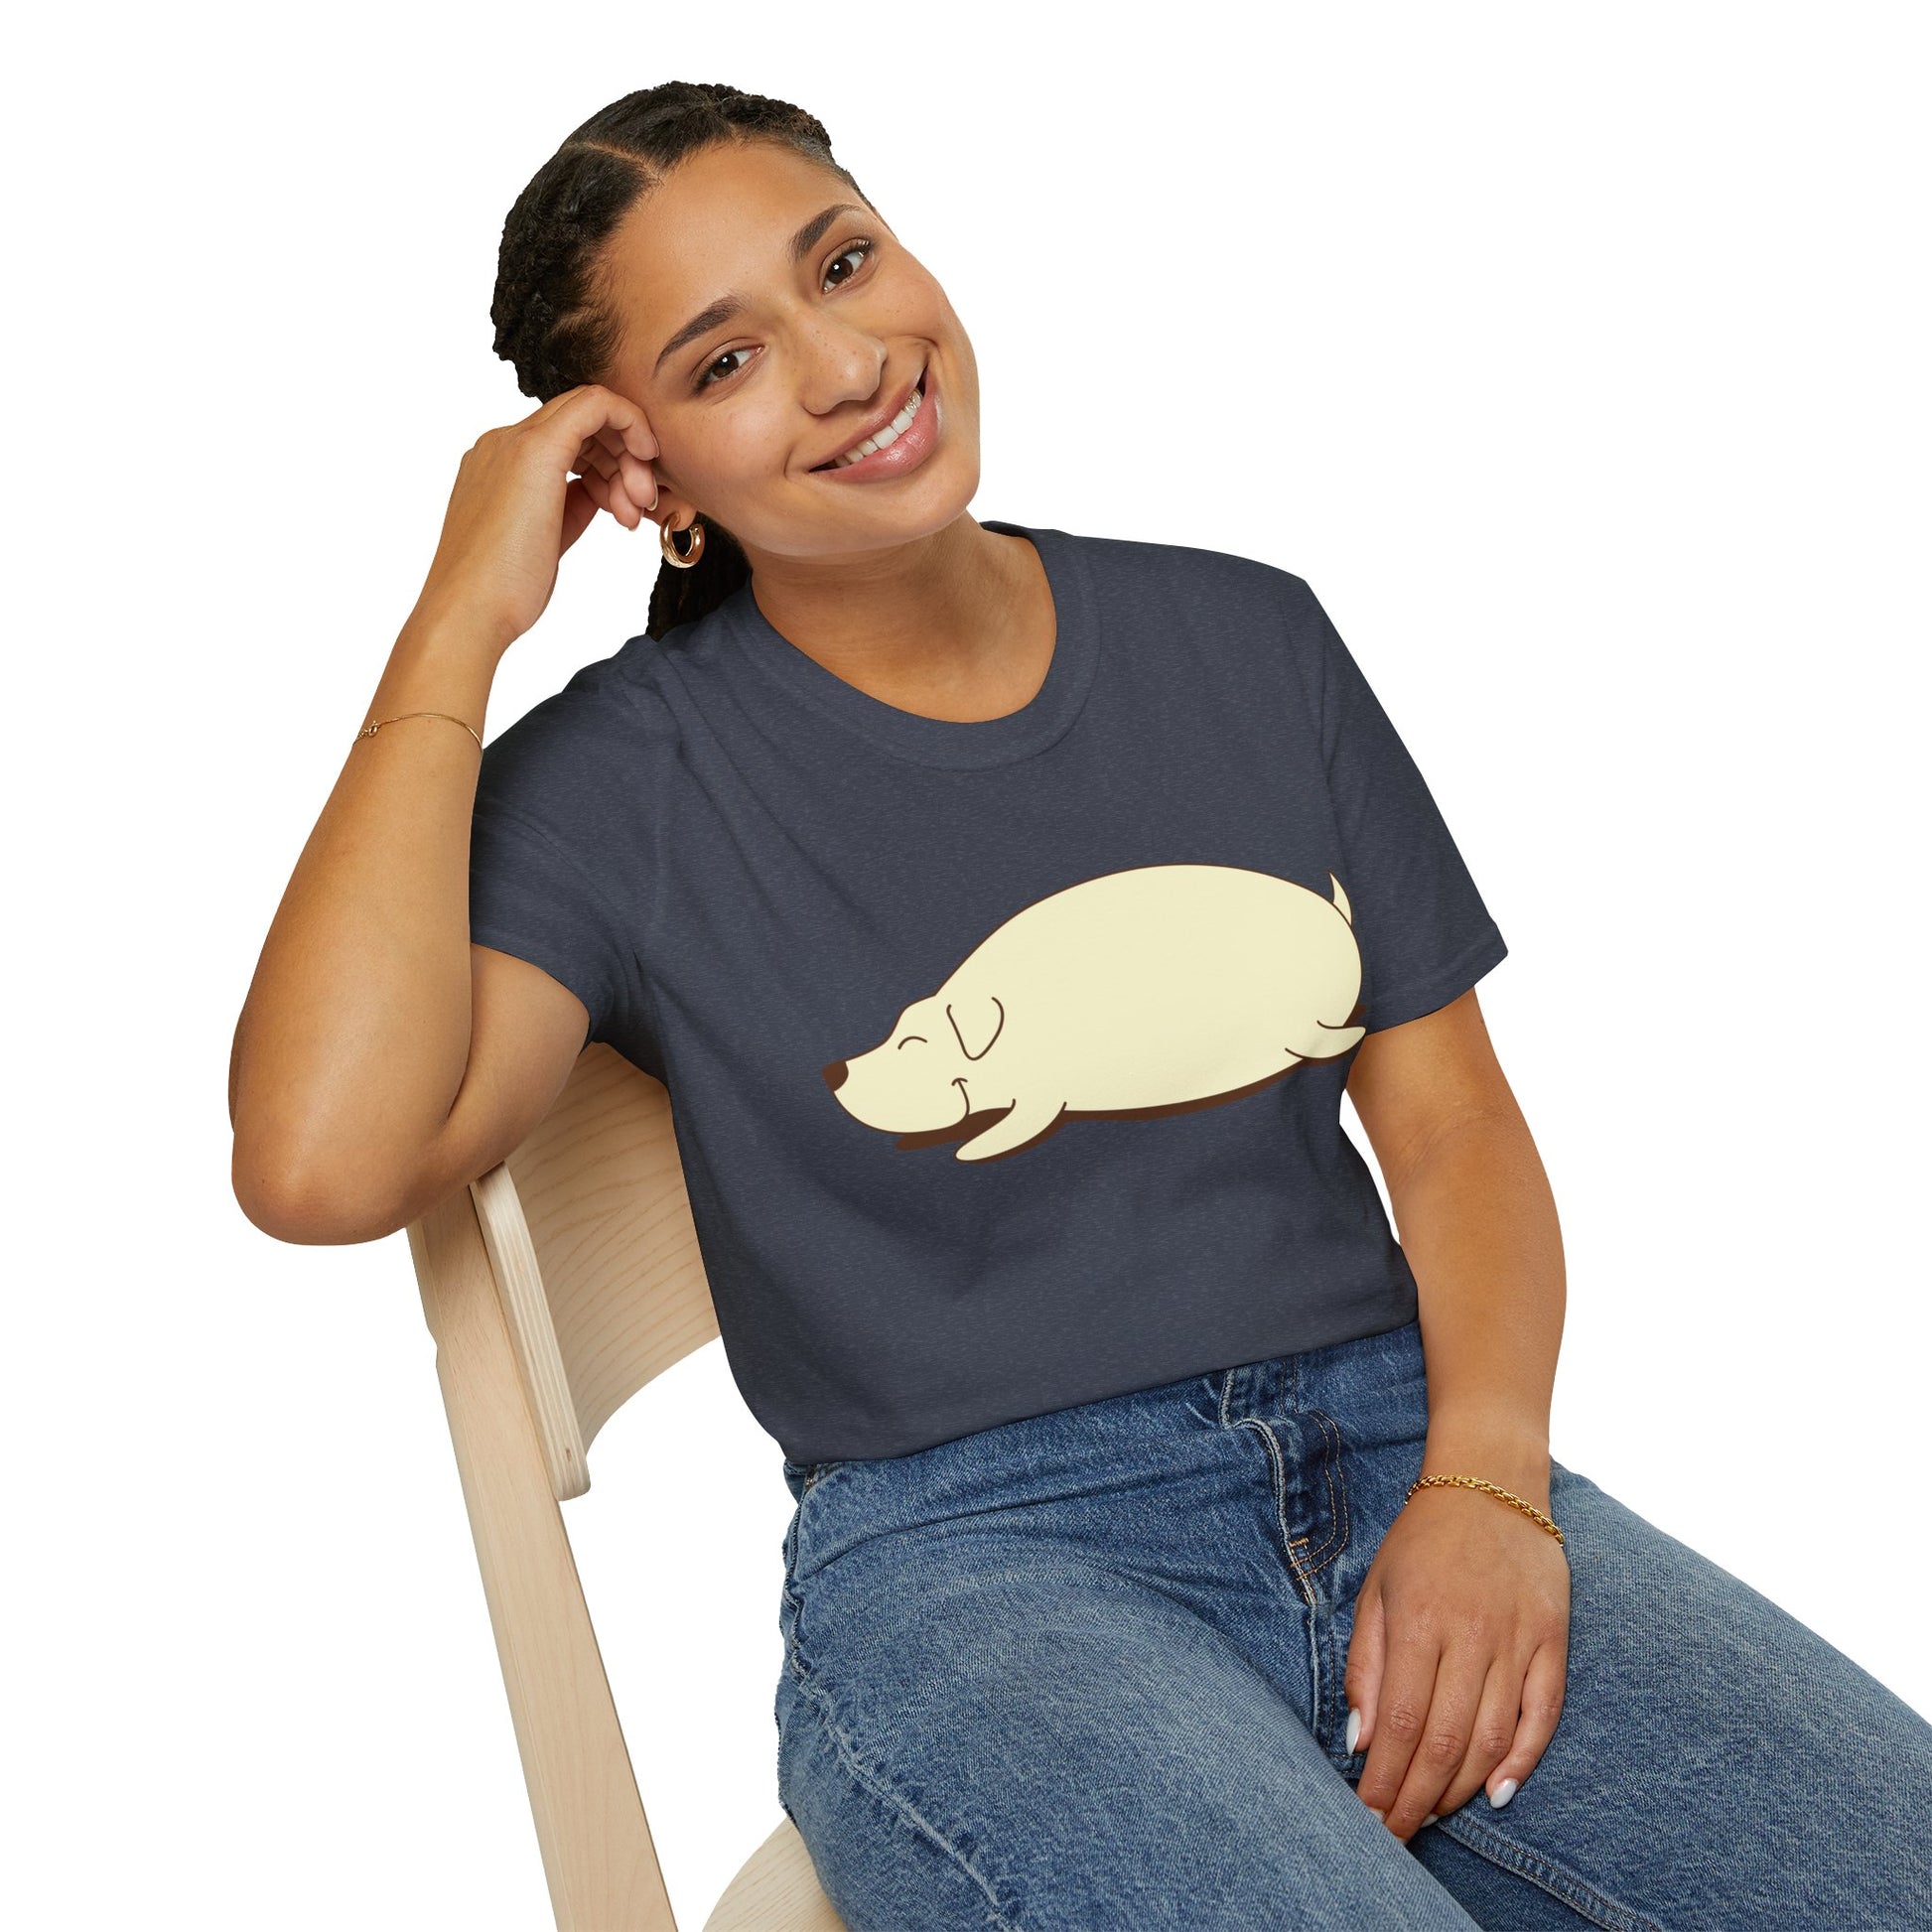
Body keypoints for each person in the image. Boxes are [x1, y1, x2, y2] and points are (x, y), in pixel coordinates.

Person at [228, 80, 1932, 1930]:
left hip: (1406, 1449)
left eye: (843, 264)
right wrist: (458, 618)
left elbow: (1453, 1132)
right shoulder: (627, 780)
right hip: (981, 1567)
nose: (846, 365)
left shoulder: (1248, 639)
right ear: (650, 482)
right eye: (725, 361)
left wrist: (1489, 1484)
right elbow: (319, 1161)